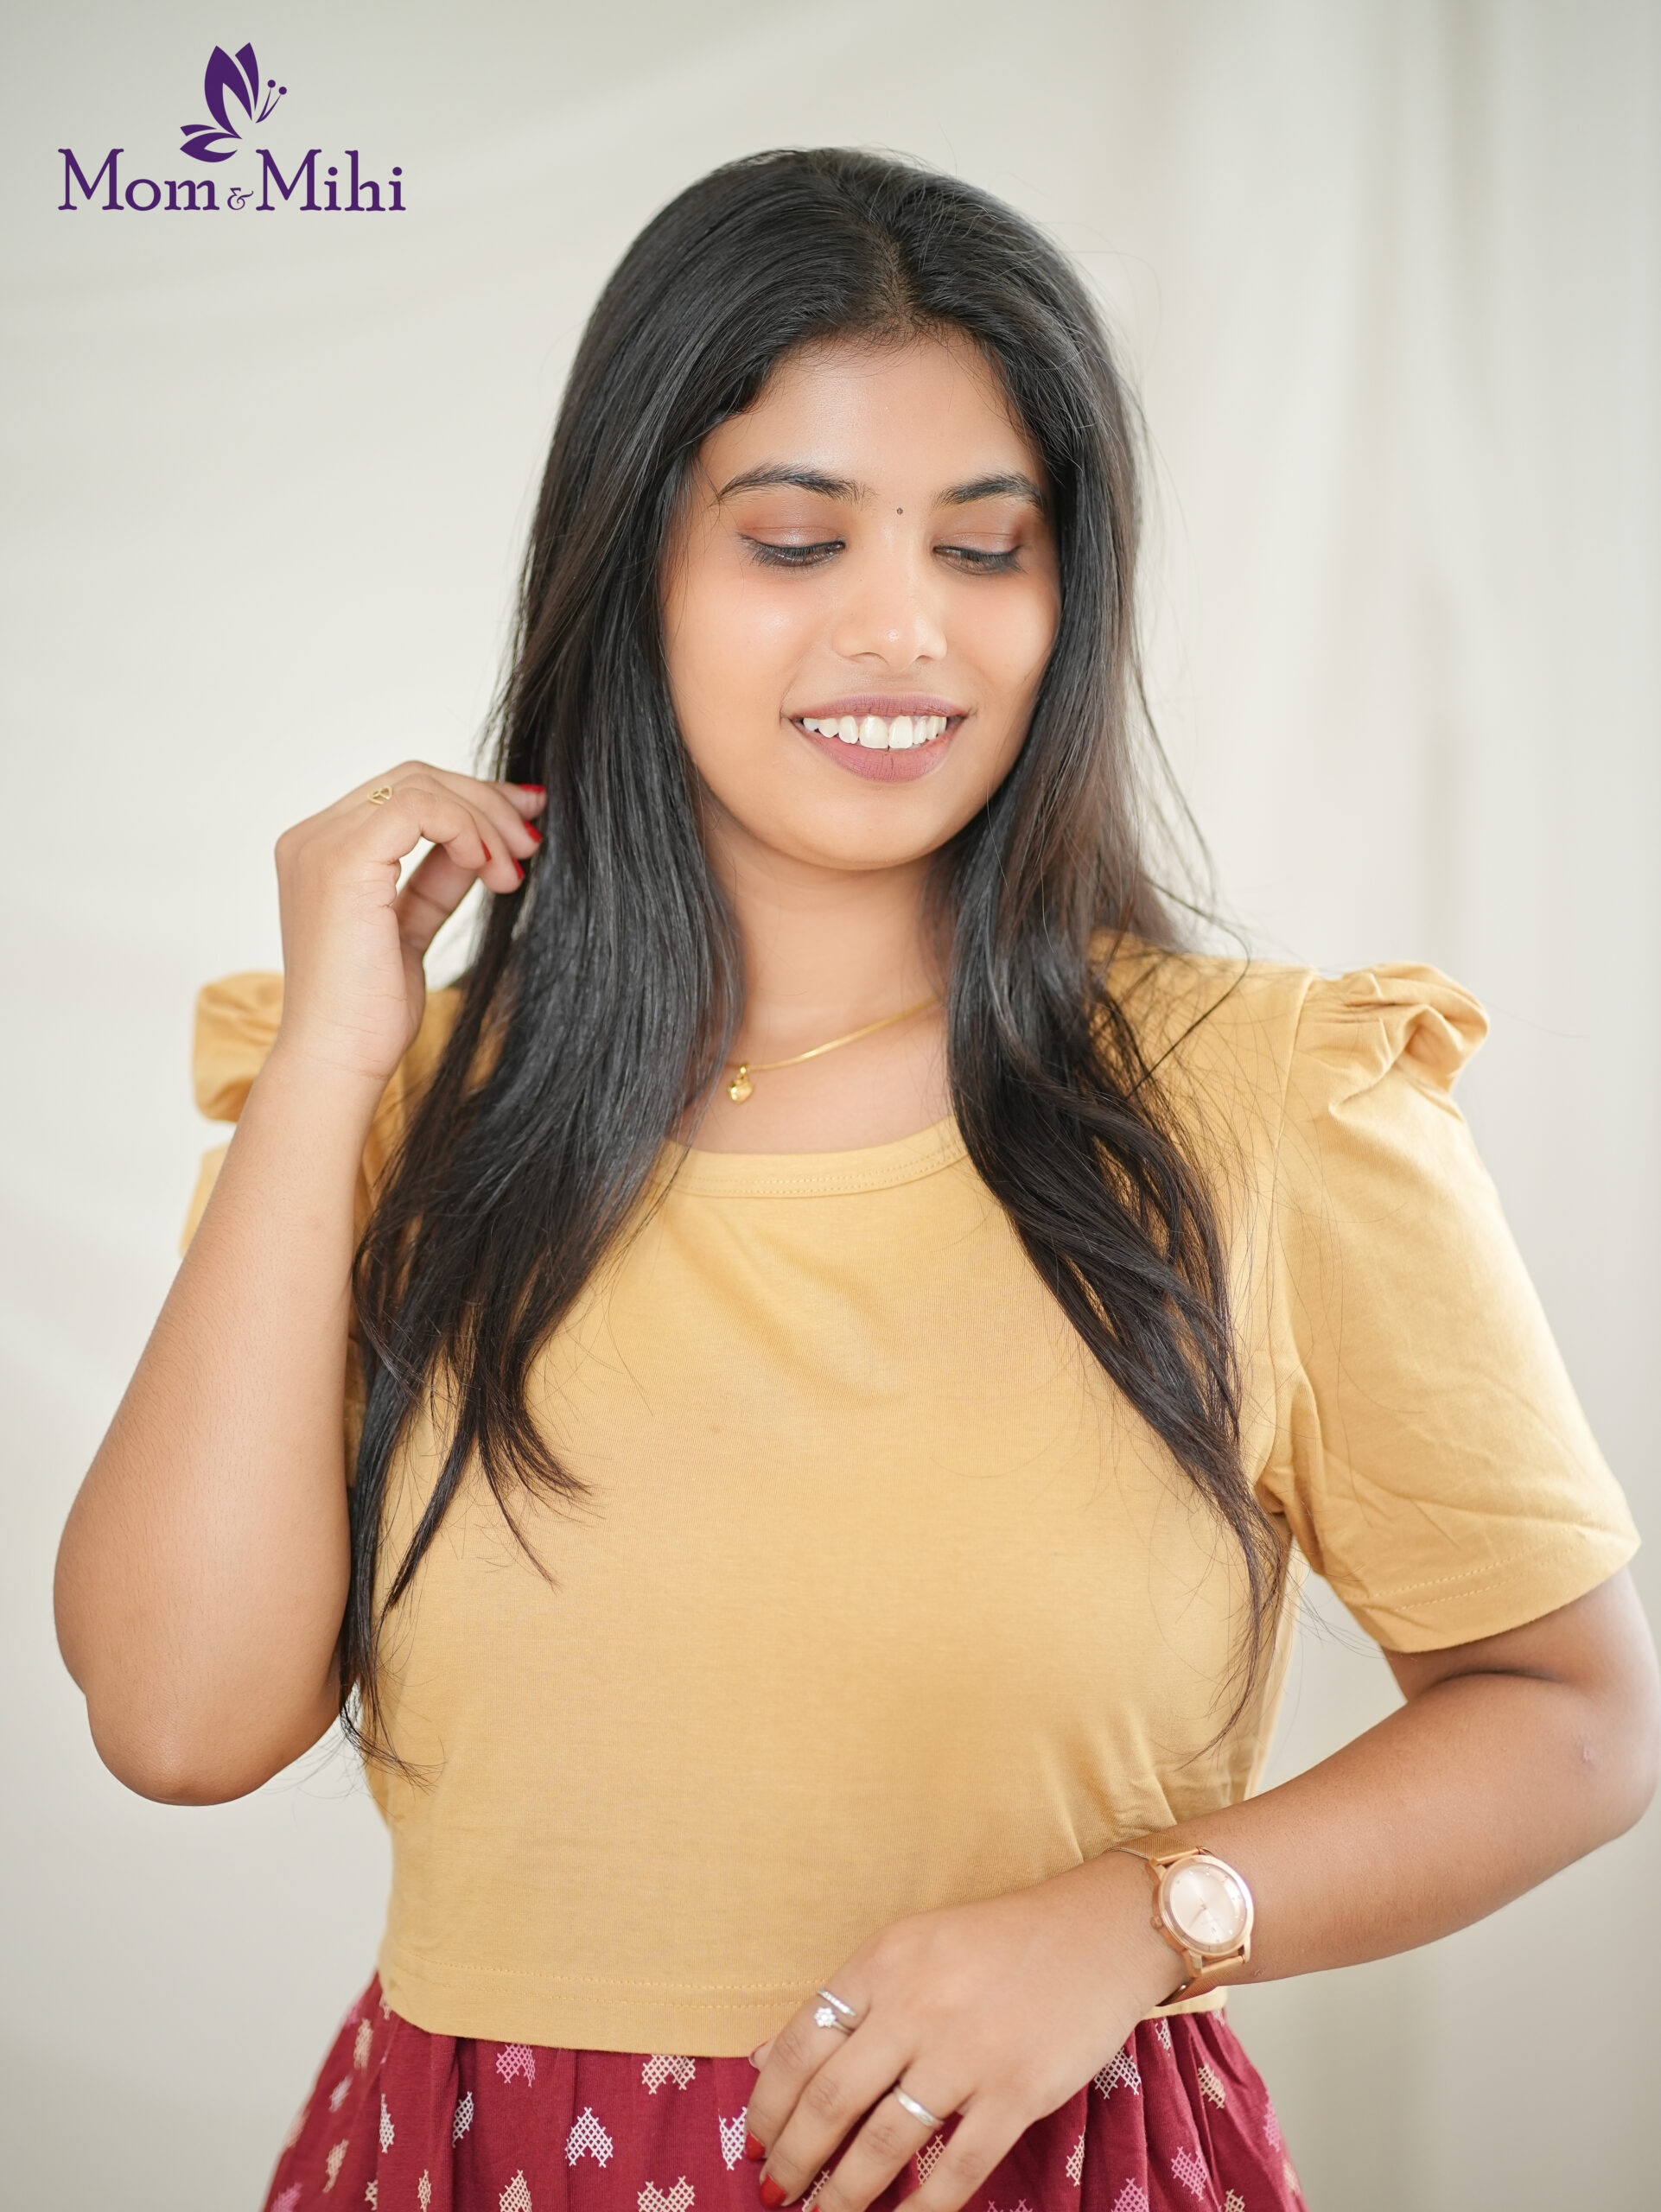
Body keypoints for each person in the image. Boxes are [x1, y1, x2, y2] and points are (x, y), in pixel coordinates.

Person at [54, 149, 1657, 2212]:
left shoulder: (1271, 1105)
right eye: (795, 538)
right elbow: (177, 1720)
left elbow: (1572, 1714)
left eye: (986, 546)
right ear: (627, 570)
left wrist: (1137, 1920)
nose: (902, 628)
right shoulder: (390, 1118)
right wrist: (327, 1071)